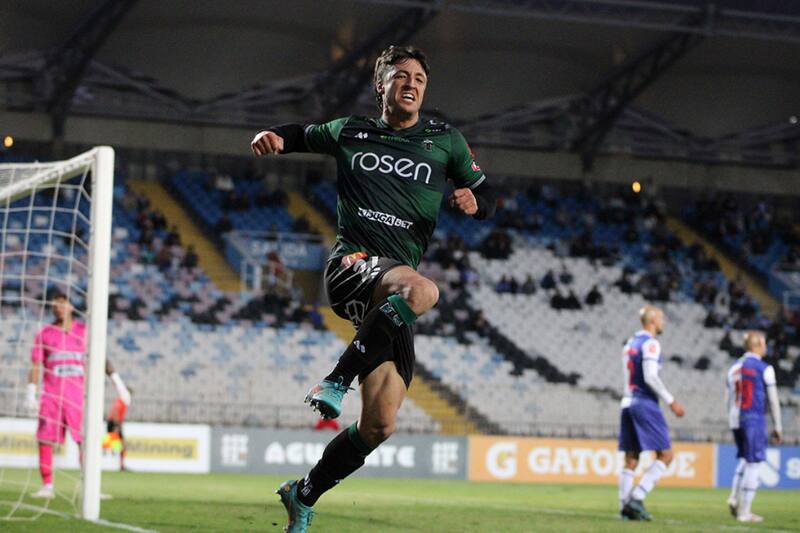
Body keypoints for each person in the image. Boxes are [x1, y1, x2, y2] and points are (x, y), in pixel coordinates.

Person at [251, 45, 496, 532]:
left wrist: (475, 201)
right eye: (401, 75)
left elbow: (486, 194)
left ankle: (303, 494)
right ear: (380, 85)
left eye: (420, 78)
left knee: (379, 425)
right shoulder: (351, 131)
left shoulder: (445, 141)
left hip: (391, 292)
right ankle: (337, 378)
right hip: (353, 266)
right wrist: (271, 137)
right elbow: (300, 133)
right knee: (425, 292)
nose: (412, 83)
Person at [26, 289, 131, 499]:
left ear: (71, 306)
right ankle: (47, 485)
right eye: (55, 304)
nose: (59, 307)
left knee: (87, 439)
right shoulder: (45, 333)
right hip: (52, 396)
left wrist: (118, 383)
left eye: (63, 302)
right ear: (52, 308)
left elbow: (101, 358)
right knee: (45, 440)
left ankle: (90, 487)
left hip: (78, 397)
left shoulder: (84, 331)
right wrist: (31, 392)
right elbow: (36, 364)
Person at [618, 305, 685, 521]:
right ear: (652, 320)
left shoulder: (629, 344)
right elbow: (650, 376)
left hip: (627, 401)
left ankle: (624, 508)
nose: (664, 322)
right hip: (644, 402)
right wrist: (671, 401)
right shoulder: (651, 343)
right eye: (662, 318)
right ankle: (636, 498)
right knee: (666, 455)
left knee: (631, 458)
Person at [725, 331, 782, 523]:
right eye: (764, 344)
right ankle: (745, 512)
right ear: (757, 345)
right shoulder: (764, 368)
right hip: (753, 417)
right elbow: (773, 401)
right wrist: (778, 426)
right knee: (754, 463)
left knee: (744, 458)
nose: (766, 347)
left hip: (735, 417)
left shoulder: (733, 368)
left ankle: (734, 497)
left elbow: (728, 399)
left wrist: (732, 419)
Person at [104, 379, 132, 471]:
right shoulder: (121, 401)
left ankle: (121, 465)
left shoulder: (121, 401)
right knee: (115, 445)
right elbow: (116, 411)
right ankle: (121, 465)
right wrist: (116, 426)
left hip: (114, 423)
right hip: (114, 423)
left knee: (115, 445)